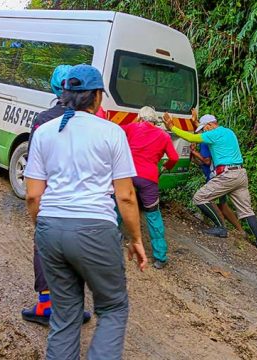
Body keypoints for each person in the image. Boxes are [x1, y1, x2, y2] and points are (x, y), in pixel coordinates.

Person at [23, 64, 147, 360]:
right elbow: (126, 196)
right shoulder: (112, 132)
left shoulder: (44, 132)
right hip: (95, 228)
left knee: (65, 316)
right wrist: (135, 239)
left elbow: (32, 195)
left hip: (51, 228)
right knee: (113, 308)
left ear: (64, 95)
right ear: (97, 98)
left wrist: (43, 230)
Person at [22, 64, 92, 326]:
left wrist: (34, 202)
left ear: (55, 87)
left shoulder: (43, 119)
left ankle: (46, 306)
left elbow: (33, 163)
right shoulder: (91, 122)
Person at [165, 112, 257, 250]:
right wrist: (196, 122)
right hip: (240, 174)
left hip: (227, 176)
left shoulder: (213, 134)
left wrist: (172, 127)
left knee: (199, 198)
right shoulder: (229, 132)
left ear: (210, 125)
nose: (204, 130)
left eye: (204, 127)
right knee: (247, 211)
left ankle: (220, 227)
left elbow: (191, 137)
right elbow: (204, 136)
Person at [120, 107, 179, 269]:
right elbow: (174, 157)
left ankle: (112, 238)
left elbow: (115, 131)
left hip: (128, 173)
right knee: (153, 214)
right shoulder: (164, 135)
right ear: (156, 121)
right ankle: (160, 257)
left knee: (119, 203)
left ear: (140, 118)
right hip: (149, 178)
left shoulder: (132, 127)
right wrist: (166, 166)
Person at [190, 141, 244, 232]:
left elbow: (207, 161)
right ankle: (241, 231)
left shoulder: (204, 142)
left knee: (211, 202)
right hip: (218, 175)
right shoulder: (211, 142)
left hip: (214, 178)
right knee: (222, 205)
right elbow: (202, 162)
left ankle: (222, 227)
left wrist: (193, 152)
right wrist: (194, 155)